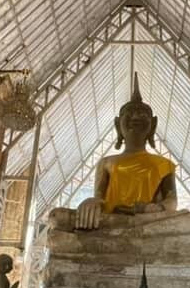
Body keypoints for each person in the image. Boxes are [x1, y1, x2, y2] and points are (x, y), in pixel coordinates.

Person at [74, 73, 177, 230]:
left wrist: (156, 209)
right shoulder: (107, 163)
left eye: (143, 114)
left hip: (147, 224)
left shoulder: (165, 165)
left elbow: (172, 201)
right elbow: (99, 199)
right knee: (58, 215)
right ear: (117, 125)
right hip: (112, 222)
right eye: (129, 113)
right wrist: (91, 202)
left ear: (153, 125)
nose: (136, 116)